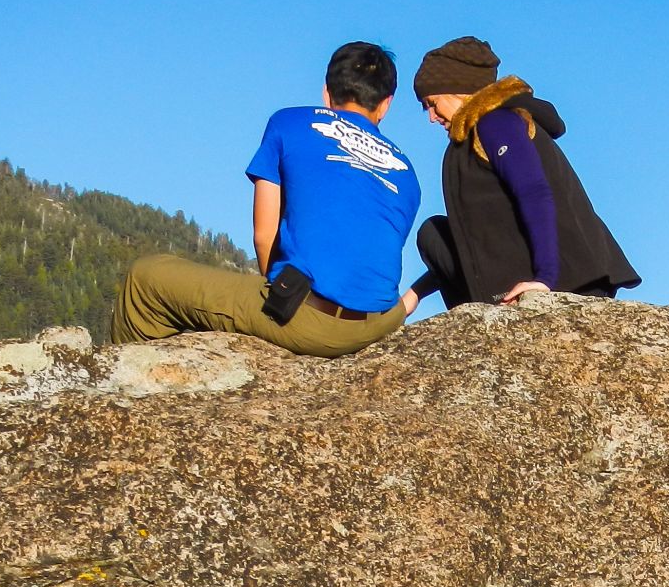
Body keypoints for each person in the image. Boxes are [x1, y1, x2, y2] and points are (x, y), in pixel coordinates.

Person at [113, 42, 421, 358]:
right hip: (380, 324)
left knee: (146, 279)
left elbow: (264, 236)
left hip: (311, 320)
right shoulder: (406, 171)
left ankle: (132, 387)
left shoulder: (289, 122)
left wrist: (278, 296)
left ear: (326, 93)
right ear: (386, 104)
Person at [402, 37, 640, 314]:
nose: (432, 116)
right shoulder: (470, 137)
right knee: (434, 235)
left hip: (567, 280)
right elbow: (469, 243)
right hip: (517, 282)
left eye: (432, 103)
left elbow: (534, 192)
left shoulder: (496, 123)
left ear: (459, 90)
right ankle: (478, 318)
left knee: (433, 232)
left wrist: (544, 281)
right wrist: (413, 296)